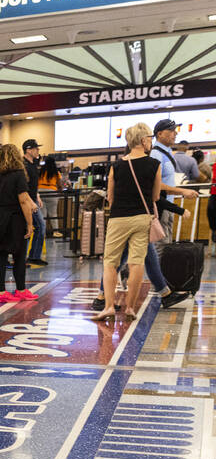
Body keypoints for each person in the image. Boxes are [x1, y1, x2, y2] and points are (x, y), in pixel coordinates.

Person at [91, 123, 162, 322]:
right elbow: (155, 196)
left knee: (110, 262)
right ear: (142, 140)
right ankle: (130, 308)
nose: (151, 141)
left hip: (118, 218)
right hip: (142, 218)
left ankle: (108, 307)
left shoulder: (116, 166)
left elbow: (110, 197)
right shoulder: (154, 164)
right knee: (136, 262)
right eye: (149, 137)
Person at [0, 143, 36, 304]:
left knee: (0, 256)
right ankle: (21, 290)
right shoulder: (18, 174)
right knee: (19, 256)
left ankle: (0, 292)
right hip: (15, 219)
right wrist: (30, 224)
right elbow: (24, 200)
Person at [149, 119, 200, 242]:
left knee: (166, 243)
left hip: (169, 204)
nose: (175, 133)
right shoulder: (156, 154)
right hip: (161, 205)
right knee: (160, 245)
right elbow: (156, 185)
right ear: (159, 134)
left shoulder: (168, 152)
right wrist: (182, 191)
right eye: (171, 130)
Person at [21, 139, 46, 267]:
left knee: (38, 227)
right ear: (28, 150)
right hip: (26, 201)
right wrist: (31, 202)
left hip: (32, 199)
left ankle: (33, 256)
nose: (38, 151)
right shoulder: (23, 165)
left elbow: (32, 184)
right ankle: (26, 257)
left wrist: (37, 196)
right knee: (33, 227)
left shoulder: (33, 164)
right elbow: (23, 186)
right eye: (36, 148)